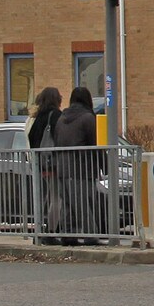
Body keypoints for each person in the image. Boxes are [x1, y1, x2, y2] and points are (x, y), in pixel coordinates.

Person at [55, 86, 100, 244]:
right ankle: (90, 236)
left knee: (68, 203)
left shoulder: (61, 118)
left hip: (62, 168)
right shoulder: (88, 118)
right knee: (84, 203)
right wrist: (102, 166)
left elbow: (57, 141)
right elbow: (95, 144)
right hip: (82, 168)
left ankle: (68, 235)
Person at [27, 87, 64, 242]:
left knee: (46, 197)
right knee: (57, 197)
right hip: (52, 163)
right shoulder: (54, 116)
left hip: (39, 163)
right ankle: (49, 231)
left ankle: (39, 230)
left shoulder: (36, 117)